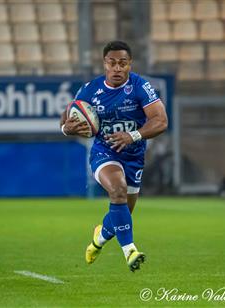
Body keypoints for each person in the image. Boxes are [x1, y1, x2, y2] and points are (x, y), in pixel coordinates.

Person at [60, 41, 168, 271]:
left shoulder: (140, 86)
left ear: (130, 65)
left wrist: (133, 136)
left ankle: (99, 238)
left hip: (134, 155)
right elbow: (67, 116)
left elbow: (161, 121)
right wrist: (65, 128)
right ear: (104, 64)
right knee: (117, 190)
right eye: (112, 63)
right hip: (104, 152)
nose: (117, 68)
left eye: (123, 63)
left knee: (121, 214)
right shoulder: (91, 89)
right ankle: (130, 251)